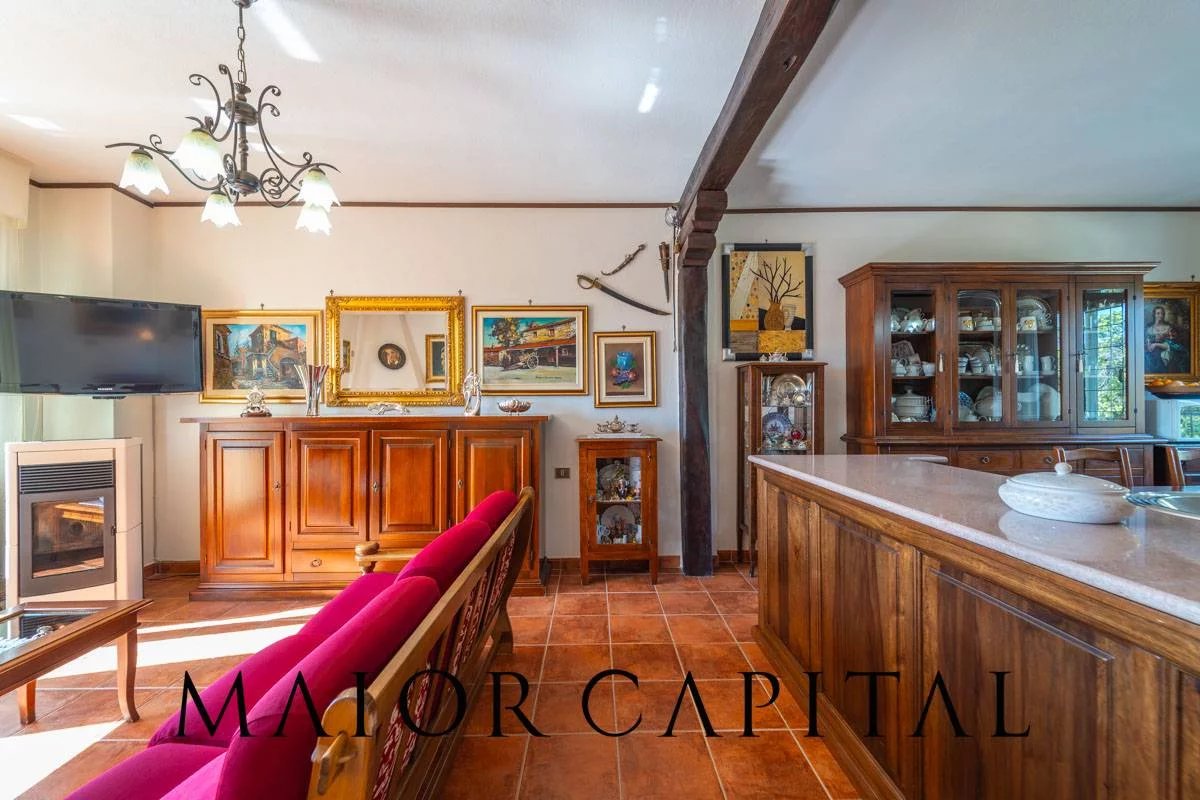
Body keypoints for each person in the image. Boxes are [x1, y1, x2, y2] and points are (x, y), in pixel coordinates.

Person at [1146, 304, 1188, 373]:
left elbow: (1172, 340)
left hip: (1166, 347)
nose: (1160, 315)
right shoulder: (1149, 328)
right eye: (1158, 313)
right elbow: (1147, 340)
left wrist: (1161, 340)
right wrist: (1149, 345)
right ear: (1154, 315)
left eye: (1162, 313)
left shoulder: (1168, 327)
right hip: (1153, 350)